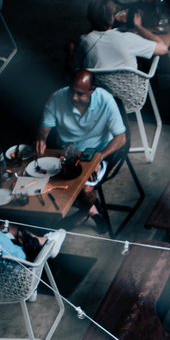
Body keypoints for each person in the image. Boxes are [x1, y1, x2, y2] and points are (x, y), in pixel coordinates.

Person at [35, 68, 126, 232]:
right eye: (71, 91)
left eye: (80, 94)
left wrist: (99, 158)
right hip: (68, 152)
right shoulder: (57, 98)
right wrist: (41, 138)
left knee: (84, 188)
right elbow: (44, 130)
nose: (73, 97)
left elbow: (121, 138)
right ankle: (92, 211)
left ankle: (84, 212)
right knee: (47, 182)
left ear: (92, 90)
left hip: (98, 152)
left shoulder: (105, 100)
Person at [79, 0, 167, 70]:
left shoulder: (85, 40)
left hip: (99, 88)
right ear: (113, 18)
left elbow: (77, 66)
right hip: (132, 88)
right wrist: (139, 27)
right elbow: (163, 49)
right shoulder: (127, 39)